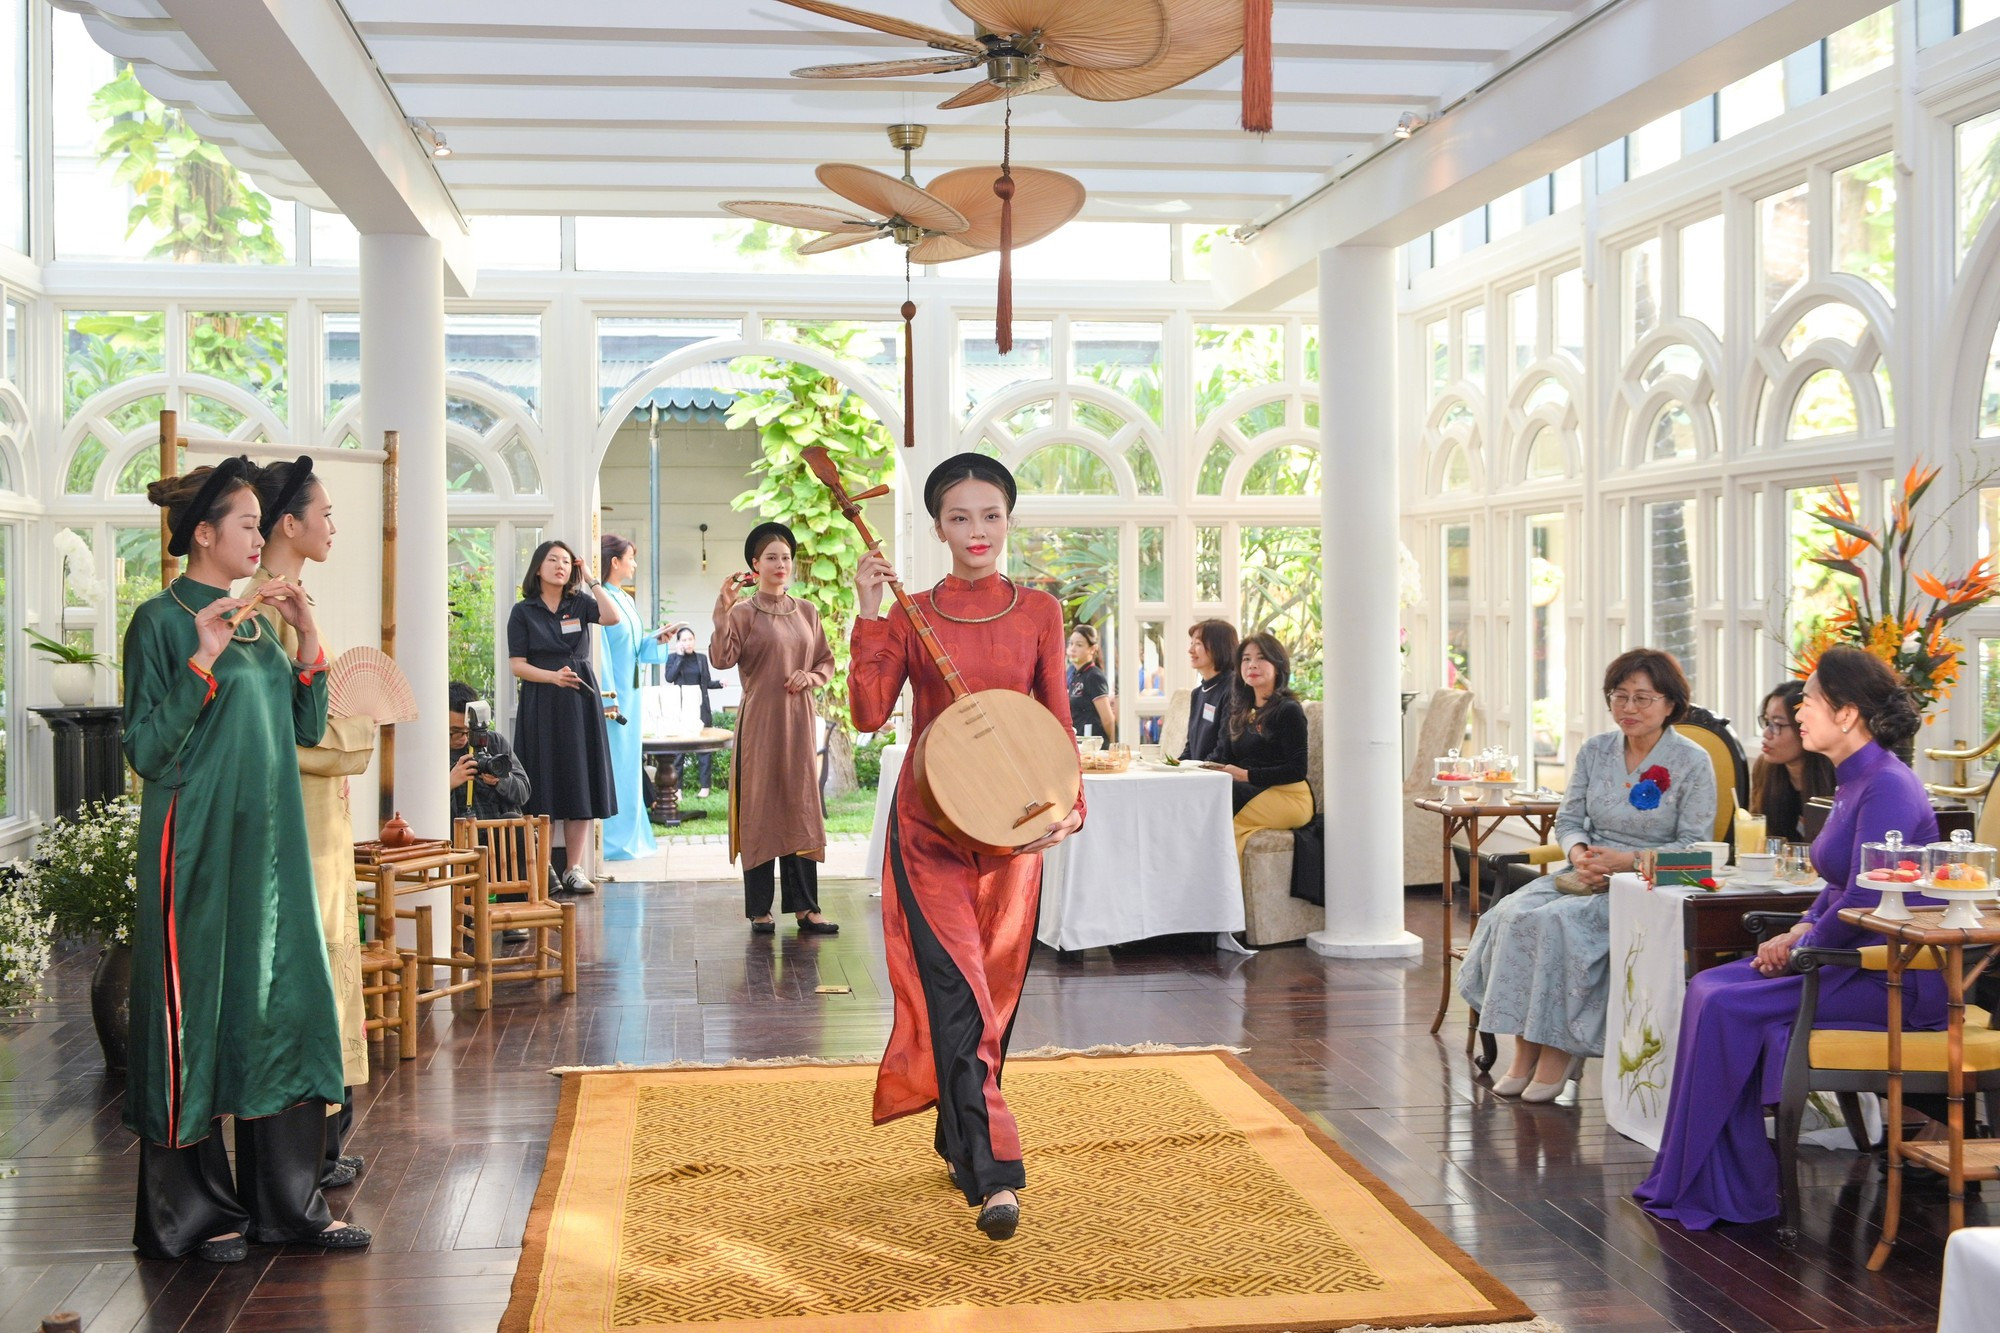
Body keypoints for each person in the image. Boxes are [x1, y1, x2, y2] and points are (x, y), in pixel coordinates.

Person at [125, 457, 368, 1261]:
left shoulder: (259, 617)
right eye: (246, 524)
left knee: (286, 1006)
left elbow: (305, 726)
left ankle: (286, 1205)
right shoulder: (160, 621)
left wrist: (308, 635)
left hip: (272, 849)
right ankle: (188, 1216)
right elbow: (149, 750)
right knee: (193, 1018)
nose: (260, 536)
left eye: (263, 524)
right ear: (203, 533)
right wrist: (200, 658)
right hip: (193, 845)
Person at [851, 452, 1086, 1243]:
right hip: (929, 829)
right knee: (959, 994)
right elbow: (867, 710)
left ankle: (960, 1137)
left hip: (1014, 834)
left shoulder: (1041, 612)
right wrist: (868, 609)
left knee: (996, 1000)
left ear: (1008, 519)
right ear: (938, 526)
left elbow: (1055, 723)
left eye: (990, 515)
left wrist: (1069, 804)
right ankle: (996, 1176)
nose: (976, 531)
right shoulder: (912, 611)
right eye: (959, 517)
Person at [1635, 646, 1943, 1229]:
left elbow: (1868, 896)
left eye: (1811, 700)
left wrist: (1803, 944)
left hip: (1892, 974)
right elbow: (1838, 885)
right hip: (1846, 953)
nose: (1799, 710)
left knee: (1722, 999)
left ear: (1847, 714)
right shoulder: (1856, 780)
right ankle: (1716, 1182)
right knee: (1706, 987)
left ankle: (1723, 1188)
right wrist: (1804, 926)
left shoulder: (1888, 787)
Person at [1458, 648, 1717, 1103]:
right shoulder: (1596, 750)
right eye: (1620, 697)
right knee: (1509, 917)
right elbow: (1570, 817)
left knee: (1554, 925)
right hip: (1581, 871)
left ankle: (1559, 1051)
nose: (1629, 709)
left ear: (1671, 704)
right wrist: (1579, 853)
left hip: (1645, 886)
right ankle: (1525, 1051)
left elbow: (1694, 851)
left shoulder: (1692, 761)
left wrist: (1625, 861)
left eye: (1643, 698)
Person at [249, 457, 373, 1193]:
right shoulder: (258, 617)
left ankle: (324, 1147)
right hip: (293, 826)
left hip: (321, 826)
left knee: (331, 975)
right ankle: (304, 1159)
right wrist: (352, 739)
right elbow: (288, 735)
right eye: (323, 512)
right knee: (309, 980)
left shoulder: (289, 607)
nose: (332, 524)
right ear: (286, 524)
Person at [709, 522, 838, 936]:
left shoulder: (807, 611)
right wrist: (722, 611)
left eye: (785, 557)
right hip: (761, 722)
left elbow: (825, 662)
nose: (780, 564)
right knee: (761, 806)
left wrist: (808, 677)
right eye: (771, 558)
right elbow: (722, 659)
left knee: (799, 804)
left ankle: (807, 908)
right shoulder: (744, 612)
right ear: (755, 564)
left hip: (798, 720)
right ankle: (759, 909)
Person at [507, 539, 621, 895]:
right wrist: (553, 676)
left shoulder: (580, 603)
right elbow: (517, 666)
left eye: (567, 562)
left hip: (579, 704)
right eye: (552, 560)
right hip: (542, 702)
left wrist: (591, 578)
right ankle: (544, 869)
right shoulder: (523, 612)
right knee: (543, 781)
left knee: (579, 781)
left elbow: (612, 617)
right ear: (537, 568)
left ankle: (574, 868)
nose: (561, 566)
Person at [1205, 633, 1313, 862]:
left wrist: (1246, 775)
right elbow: (1223, 756)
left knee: (1221, 813)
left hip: (1289, 796)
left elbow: (1297, 770)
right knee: (1207, 799)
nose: (1252, 664)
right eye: (1245, 659)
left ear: (1278, 665)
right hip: (1253, 790)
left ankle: (1227, 893)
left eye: (1261, 658)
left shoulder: (1288, 710)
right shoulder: (1240, 710)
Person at [597, 535, 670, 861]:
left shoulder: (624, 599)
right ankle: (613, 841)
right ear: (615, 562)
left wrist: (659, 639)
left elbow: (636, 647)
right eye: (631, 558)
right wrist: (608, 697)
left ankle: (632, 837)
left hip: (632, 697)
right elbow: (600, 654)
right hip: (614, 701)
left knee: (629, 768)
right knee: (616, 768)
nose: (635, 564)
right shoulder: (601, 599)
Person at [1750, 680, 1837, 844]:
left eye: (1778, 724)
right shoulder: (1764, 766)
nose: (1766, 734)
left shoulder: (1834, 773)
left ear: (1804, 727)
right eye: (1767, 722)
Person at [661, 622, 723, 796]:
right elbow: (669, 677)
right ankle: (677, 788)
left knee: (704, 748)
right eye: (684, 640)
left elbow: (706, 682)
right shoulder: (673, 658)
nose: (688, 643)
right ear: (679, 642)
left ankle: (705, 787)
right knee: (679, 750)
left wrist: (719, 684)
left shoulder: (701, 659)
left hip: (700, 707)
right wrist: (680, 657)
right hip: (681, 707)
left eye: (691, 639)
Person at [1180, 618, 1237, 762]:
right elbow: (1190, 748)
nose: (1190, 650)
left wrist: (1197, 772)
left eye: (1198, 644)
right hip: (1200, 775)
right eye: (1191, 643)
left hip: (1218, 777)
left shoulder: (1234, 689)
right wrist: (1175, 767)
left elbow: (1223, 751)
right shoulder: (1198, 693)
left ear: (1219, 647)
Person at [1066, 623, 1114, 739]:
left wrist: (1113, 745)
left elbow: (1107, 719)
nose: (1073, 649)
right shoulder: (1071, 673)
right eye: (1071, 644)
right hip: (1077, 742)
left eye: (1079, 645)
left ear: (1092, 649)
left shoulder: (1094, 676)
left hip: (1094, 746)